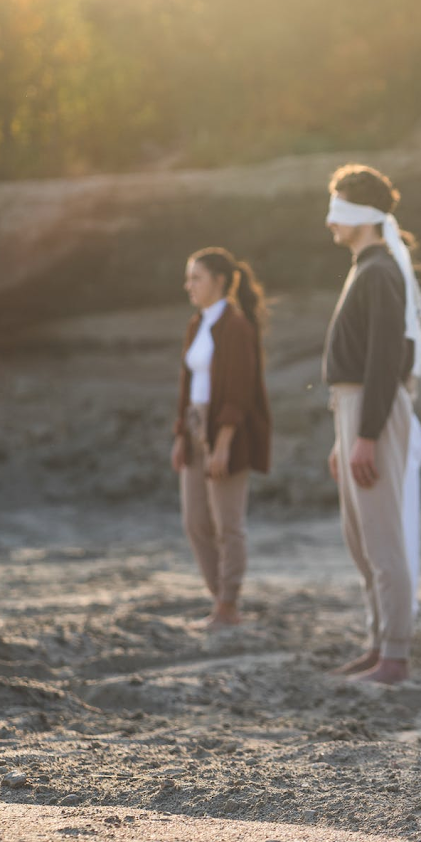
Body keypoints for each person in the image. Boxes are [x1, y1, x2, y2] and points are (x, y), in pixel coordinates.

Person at [323, 165, 421, 685]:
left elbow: (386, 360)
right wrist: (341, 437)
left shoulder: (380, 271)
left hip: (375, 410)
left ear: (361, 216)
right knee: (360, 533)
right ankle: (376, 641)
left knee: (383, 532)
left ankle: (395, 652)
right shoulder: (365, 267)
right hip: (354, 411)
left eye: (338, 207)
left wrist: (365, 435)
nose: (330, 221)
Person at [171, 247, 272, 632]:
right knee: (195, 521)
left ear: (218, 281)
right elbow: (187, 384)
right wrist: (181, 434)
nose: (189, 285)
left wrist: (225, 441)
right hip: (196, 427)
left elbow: (240, 390)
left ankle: (228, 606)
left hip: (226, 431)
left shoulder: (237, 327)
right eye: (189, 278)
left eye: (196, 278)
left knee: (228, 523)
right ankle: (219, 599)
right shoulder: (197, 324)